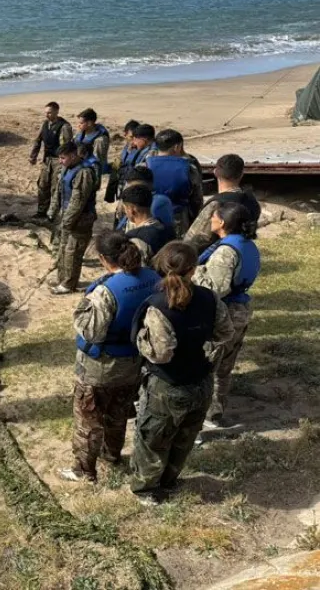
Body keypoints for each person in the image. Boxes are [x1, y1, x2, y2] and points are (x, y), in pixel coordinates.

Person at [130, 242, 234, 504]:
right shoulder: (210, 298)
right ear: (194, 269)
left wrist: (141, 341)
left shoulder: (157, 305)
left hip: (167, 386)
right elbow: (225, 333)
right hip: (201, 381)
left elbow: (162, 353)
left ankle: (147, 490)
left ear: (160, 267)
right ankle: (169, 481)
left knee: (153, 440)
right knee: (184, 438)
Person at [60, 233, 161, 483]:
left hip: (100, 366)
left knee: (89, 420)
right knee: (118, 413)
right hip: (134, 361)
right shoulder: (153, 278)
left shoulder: (105, 291)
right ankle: (112, 455)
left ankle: (84, 470)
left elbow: (92, 332)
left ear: (104, 259)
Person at [194, 203, 261, 428]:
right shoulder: (248, 245)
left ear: (221, 222)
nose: (211, 218)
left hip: (225, 313)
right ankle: (217, 408)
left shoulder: (225, 252)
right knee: (226, 366)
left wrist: (196, 271)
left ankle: (206, 413)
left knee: (209, 365)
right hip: (241, 309)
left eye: (214, 215)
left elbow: (216, 288)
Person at [185, 154, 261, 253]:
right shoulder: (251, 201)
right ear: (242, 174)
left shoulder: (215, 205)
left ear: (215, 172)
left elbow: (193, 240)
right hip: (241, 250)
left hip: (213, 256)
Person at [51, 143, 99, 295]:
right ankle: (62, 278)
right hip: (67, 217)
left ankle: (68, 284)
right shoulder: (67, 168)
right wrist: (53, 210)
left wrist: (67, 221)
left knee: (73, 252)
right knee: (63, 249)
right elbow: (58, 191)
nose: (60, 161)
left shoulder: (84, 173)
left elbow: (78, 202)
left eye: (63, 158)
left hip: (80, 219)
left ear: (73, 156)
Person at [145, 129, 203, 237]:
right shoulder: (189, 168)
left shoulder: (144, 166)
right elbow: (197, 199)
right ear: (177, 147)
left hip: (148, 216)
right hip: (178, 219)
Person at [30, 102, 74, 219]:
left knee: (56, 187)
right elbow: (37, 140)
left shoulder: (64, 126)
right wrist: (33, 156)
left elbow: (67, 146)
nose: (47, 115)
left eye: (49, 112)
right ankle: (41, 211)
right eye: (46, 113)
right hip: (46, 159)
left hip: (58, 161)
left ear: (56, 111)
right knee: (42, 185)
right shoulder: (44, 124)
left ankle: (52, 214)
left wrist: (65, 162)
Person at [121, 185, 176, 265]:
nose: (125, 212)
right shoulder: (168, 229)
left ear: (132, 210)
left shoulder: (136, 239)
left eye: (125, 208)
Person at [118, 166, 175, 232]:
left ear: (150, 186)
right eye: (130, 188)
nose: (133, 192)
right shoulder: (128, 201)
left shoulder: (159, 203)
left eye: (138, 188)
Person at [74, 108, 111, 181]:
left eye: (81, 123)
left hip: (89, 173)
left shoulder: (100, 140)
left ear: (89, 123)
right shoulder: (80, 134)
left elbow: (98, 162)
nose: (78, 125)